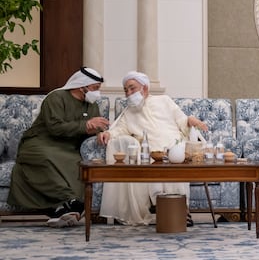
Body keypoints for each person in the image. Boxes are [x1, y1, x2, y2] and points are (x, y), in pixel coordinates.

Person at [97, 71, 208, 226]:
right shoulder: (129, 112)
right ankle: (162, 208)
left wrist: (190, 120)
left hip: (173, 147)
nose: (129, 93)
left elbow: (181, 119)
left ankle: (182, 210)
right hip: (150, 152)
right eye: (126, 90)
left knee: (176, 161)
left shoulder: (164, 100)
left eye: (132, 88)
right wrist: (107, 134)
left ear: (145, 88)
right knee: (153, 163)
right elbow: (119, 130)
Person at [9, 67, 109, 228]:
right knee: (45, 157)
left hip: (67, 148)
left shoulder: (92, 105)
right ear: (81, 86)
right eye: (95, 88)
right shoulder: (56, 98)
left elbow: (94, 127)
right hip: (39, 142)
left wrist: (99, 132)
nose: (97, 93)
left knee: (78, 164)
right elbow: (55, 127)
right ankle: (71, 202)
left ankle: (62, 208)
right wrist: (86, 125)